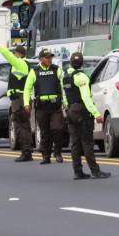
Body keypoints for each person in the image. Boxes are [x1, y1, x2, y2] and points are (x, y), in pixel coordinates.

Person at [63, 52, 111, 180]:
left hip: (71, 111)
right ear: (82, 63)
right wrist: (96, 113)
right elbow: (86, 98)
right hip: (82, 111)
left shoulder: (66, 76)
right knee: (87, 143)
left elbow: (65, 96)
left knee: (75, 143)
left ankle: (77, 172)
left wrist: (68, 108)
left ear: (71, 62)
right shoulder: (81, 77)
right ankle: (95, 171)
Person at [0, 39, 33, 162]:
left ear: (19, 54)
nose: (14, 55)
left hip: (19, 100)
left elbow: (8, 56)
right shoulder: (24, 65)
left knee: (20, 126)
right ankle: (27, 151)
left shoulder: (20, 63)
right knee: (24, 126)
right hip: (20, 99)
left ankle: (26, 152)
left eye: (15, 53)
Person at [24, 49, 67, 164]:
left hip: (55, 106)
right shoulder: (34, 71)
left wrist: (65, 102)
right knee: (45, 132)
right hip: (42, 106)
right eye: (47, 57)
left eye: (51, 57)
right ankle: (46, 156)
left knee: (57, 129)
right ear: (41, 59)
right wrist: (26, 103)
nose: (49, 60)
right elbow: (27, 88)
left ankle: (57, 153)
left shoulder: (57, 70)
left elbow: (63, 87)